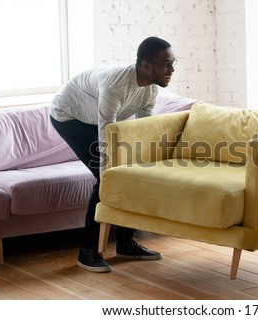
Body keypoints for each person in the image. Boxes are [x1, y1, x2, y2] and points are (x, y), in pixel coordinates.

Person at [50, 36, 177, 273]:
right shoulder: (116, 84)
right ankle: (87, 251)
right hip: (70, 116)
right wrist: (109, 173)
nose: (171, 70)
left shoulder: (150, 88)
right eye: (166, 64)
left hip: (97, 118)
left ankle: (126, 244)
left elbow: (144, 127)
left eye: (173, 63)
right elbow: (105, 130)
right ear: (146, 65)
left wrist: (145, 163)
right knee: (106, 179)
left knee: (131, 174)